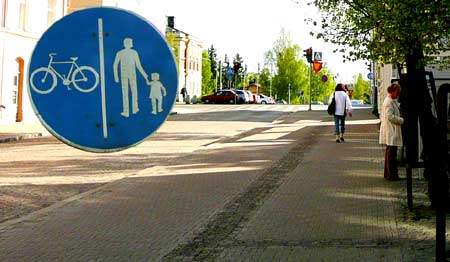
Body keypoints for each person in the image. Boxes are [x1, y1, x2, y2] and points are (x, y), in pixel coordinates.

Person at [113, 38, 149, 118]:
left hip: (132, 74)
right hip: (124, 75)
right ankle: (127, 111)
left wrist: (144, 74)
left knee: (132, 91)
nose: (131, 43)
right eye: (130, 42)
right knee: (126, 92)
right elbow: (115, 65)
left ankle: (134, 108)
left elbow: (138, 65)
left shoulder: (134, 53)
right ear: (126, 43)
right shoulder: (120, 53)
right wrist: (116, 77)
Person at [379, 83, 404, 181]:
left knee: (390, 152)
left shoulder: (389, 101)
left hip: (390, 130)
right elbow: (390, 117)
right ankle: (392, 175)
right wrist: (402, 120)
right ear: (393, 91)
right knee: (391, 153)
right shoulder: (389, 102)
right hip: (391, 130)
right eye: (397, 92)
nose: (398, 94)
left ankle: (389, 173)